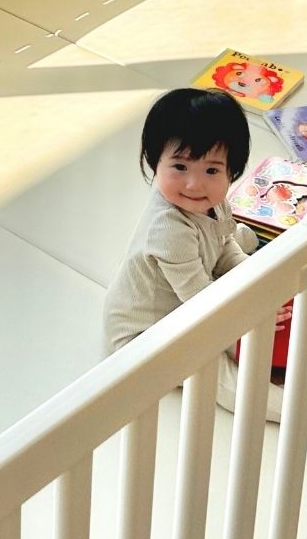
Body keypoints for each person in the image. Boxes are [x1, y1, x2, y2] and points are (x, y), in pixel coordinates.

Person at [104, 87, 286, 420]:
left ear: (232, 172)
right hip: (146, 333)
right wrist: (251, 309)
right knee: (211, 367)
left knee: (234, 243)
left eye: (212, 171)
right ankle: (298, 405)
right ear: (154, 162)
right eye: (179, 166)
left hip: (190, 284)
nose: (194, 185)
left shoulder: (214, 204)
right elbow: (201, 302)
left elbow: (224, 245)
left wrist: (252, 276)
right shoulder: (167, 229)